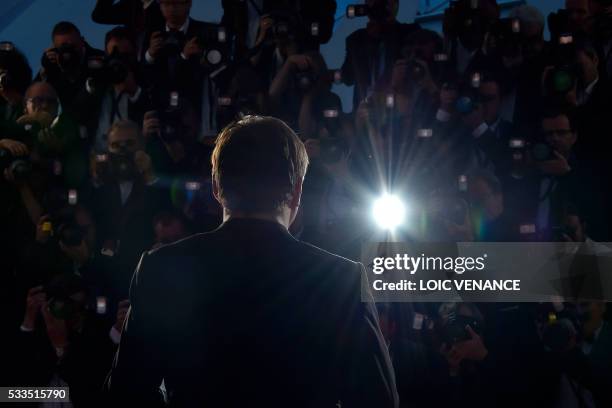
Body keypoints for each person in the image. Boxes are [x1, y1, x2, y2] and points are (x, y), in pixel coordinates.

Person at [106, 115, 398, 407]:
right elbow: (378, 400)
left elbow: (125, 395)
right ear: (297, 192)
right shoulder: (342, 279)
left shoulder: (161, 267)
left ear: (216, 187)